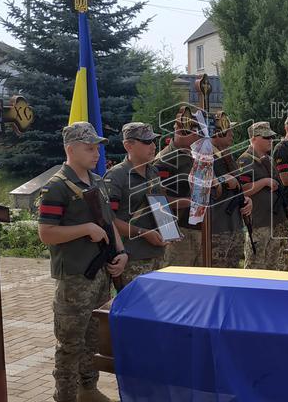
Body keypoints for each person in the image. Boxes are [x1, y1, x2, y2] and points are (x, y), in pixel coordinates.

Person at [37, 122, 127, 402]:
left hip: (100, 274)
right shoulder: (58, 186)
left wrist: (121, 251)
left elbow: (109, 222)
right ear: (70, 149)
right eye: (89, 147)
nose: (96, 152)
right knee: (70, 344)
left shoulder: (98, 182)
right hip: (75, 278)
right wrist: (85, 230)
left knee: (92, 340)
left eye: (97, 147)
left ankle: (89, 391)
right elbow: (46, 233)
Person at [103, 122, 173, 286]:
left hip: (158, 255)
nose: (153, 146)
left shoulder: (153, 171)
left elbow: (158, 205)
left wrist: (169, 229)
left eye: (153, 141)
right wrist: (143, 233)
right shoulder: (116, 176)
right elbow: (108, 220)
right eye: (147, 142)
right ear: (129, 146)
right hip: (132, 259)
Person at [237, 122, 288, 270]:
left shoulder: (268, 160)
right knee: (255, 266)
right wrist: (263, 182)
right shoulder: (245, 161)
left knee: (273, 265)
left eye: (271, 137)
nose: (270, 140)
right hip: (259, 223)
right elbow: (240, 191)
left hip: (275, 221)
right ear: (254, 138)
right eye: (266, 137)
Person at [155, 114, 201, 265]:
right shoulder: (165, 160)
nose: (200, 137)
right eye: (196, 133)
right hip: (178, 232)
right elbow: (158, 201)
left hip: (198, 228)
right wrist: (190, 202)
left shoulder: (194, 156)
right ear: (182, 133)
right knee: (179, 279)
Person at [210, 117, 252, 268]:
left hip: (233, 224)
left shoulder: (227, 155)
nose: (232, 135)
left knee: (233, 271)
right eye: (229, 131)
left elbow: (238, 184)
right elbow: (203, 183)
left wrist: (246, 199)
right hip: (217, 228)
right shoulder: (205, 156)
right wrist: (222, 179)